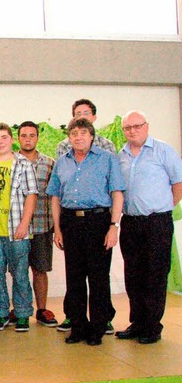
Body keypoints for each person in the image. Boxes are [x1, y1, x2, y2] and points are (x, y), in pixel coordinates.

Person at [47, 118, 124, 346]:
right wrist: (58, 229)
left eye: (83, 132)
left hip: (98, 221)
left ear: (91, 136)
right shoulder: (62, 162)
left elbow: (117, 193)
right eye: (74, 133)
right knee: (75, 278)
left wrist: (113, 226)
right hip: (70, 222)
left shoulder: (107, 159)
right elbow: (55, 197)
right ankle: (78, 327)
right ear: (69, 138)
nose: (78, 137)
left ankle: (98, 328)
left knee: (99, 278)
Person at [116, 111, 182, 344]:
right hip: (131, 222)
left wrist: (164, 207)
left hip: (157, 222)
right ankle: (138, 322)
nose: (132, 131)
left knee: (155, 274)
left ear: (146, 126)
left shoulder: (163, 150)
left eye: (137, 126)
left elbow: (178, 183)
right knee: (133, 274)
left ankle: (153, 326)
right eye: (128, 128)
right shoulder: (120, 155)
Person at [0, 123, 38, 333]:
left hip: (17, 230)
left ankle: (22, 314)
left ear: (11, 140)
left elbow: (31, 195)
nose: (0, 142)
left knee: (20, 274)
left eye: (4, 137)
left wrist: (24, 223)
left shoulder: (23, 164)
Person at [17, 121, 58, 327]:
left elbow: (54, 198)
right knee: (18, 270)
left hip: (42, 226)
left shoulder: (50, 163)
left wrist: (57, 228)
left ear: (37, 138)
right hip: (16, 227)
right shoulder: (10, 162)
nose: (28, 139)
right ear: (18, 138)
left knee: (40, 270)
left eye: (31, 135)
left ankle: (42, 310)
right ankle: (20, 309)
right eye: (24, 135)